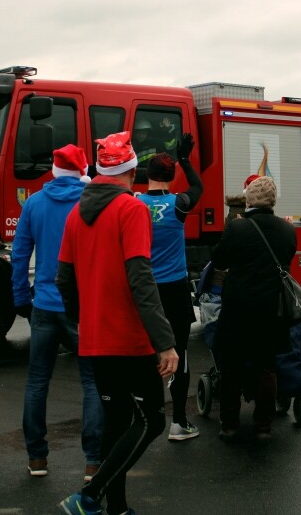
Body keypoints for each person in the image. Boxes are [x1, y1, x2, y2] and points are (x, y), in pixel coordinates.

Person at [56, 132, 178, 515]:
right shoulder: (132, 210)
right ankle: (90, 497)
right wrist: (165, 341)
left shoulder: (77, 214)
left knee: (116, 426)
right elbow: (141, 278)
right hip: (130, 338)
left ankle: (117, 508)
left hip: (95, 338)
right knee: (152, 422)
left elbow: (63, 278)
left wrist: (83, 318)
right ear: (130, 170)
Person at [11, 145, 103, 479]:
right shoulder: (91, 203)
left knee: (37, 382)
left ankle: (37, 458)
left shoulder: (34, 203)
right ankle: (93, 460)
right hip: (84, 306)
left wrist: (21, 297)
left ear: (52, 170)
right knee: (92, 382)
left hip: (45, 305)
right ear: (82, 171)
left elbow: (19, 255)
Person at [211, 175, 297, 441]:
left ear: (248, 199)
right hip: (271, 308)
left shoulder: (238, 228)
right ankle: (263, 426)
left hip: (238, 307)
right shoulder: (287, 230)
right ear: (272, 201)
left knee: (231, 366)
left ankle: (229, 424)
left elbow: (219, 259)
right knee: (266, 367)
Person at [137, 134, 204, 441]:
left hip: (145, 290)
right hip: (175, 291)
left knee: (146, 355)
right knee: (179, 354)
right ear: (171, 176)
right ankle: (178, 422)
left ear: (147, 175)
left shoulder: (134, 204)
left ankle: (149, 419)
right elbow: (198, 188)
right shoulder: (178, 204)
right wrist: (186, 160)